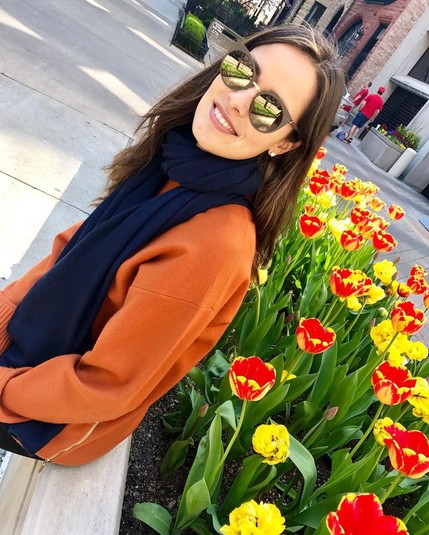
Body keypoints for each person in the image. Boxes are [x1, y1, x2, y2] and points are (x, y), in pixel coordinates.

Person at [0, 25, 344, 466]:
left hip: (51, 420)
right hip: (30, 365)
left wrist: (5, 385)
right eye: (242, 70)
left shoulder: (216, 242)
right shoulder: (174, 162)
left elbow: (106, 384)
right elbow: (68, 253)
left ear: (286, 143)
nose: (238, 99)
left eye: (269, 108)